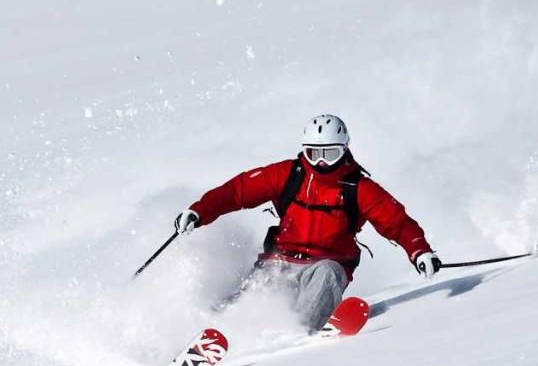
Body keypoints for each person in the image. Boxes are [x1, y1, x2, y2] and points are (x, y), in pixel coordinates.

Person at [174, 114, 441, 331]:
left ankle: (297, 332)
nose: (322, 162)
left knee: (328, 273)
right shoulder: (289, 174)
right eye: (314, 153)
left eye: (331, 153)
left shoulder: (358, 187)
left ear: (344, 150)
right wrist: (199, 212)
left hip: (325, 265)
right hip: (280, 260)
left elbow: (396, 221)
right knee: (256, 292)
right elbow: (238, 191)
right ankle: (210, 331)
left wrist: (419, 251)